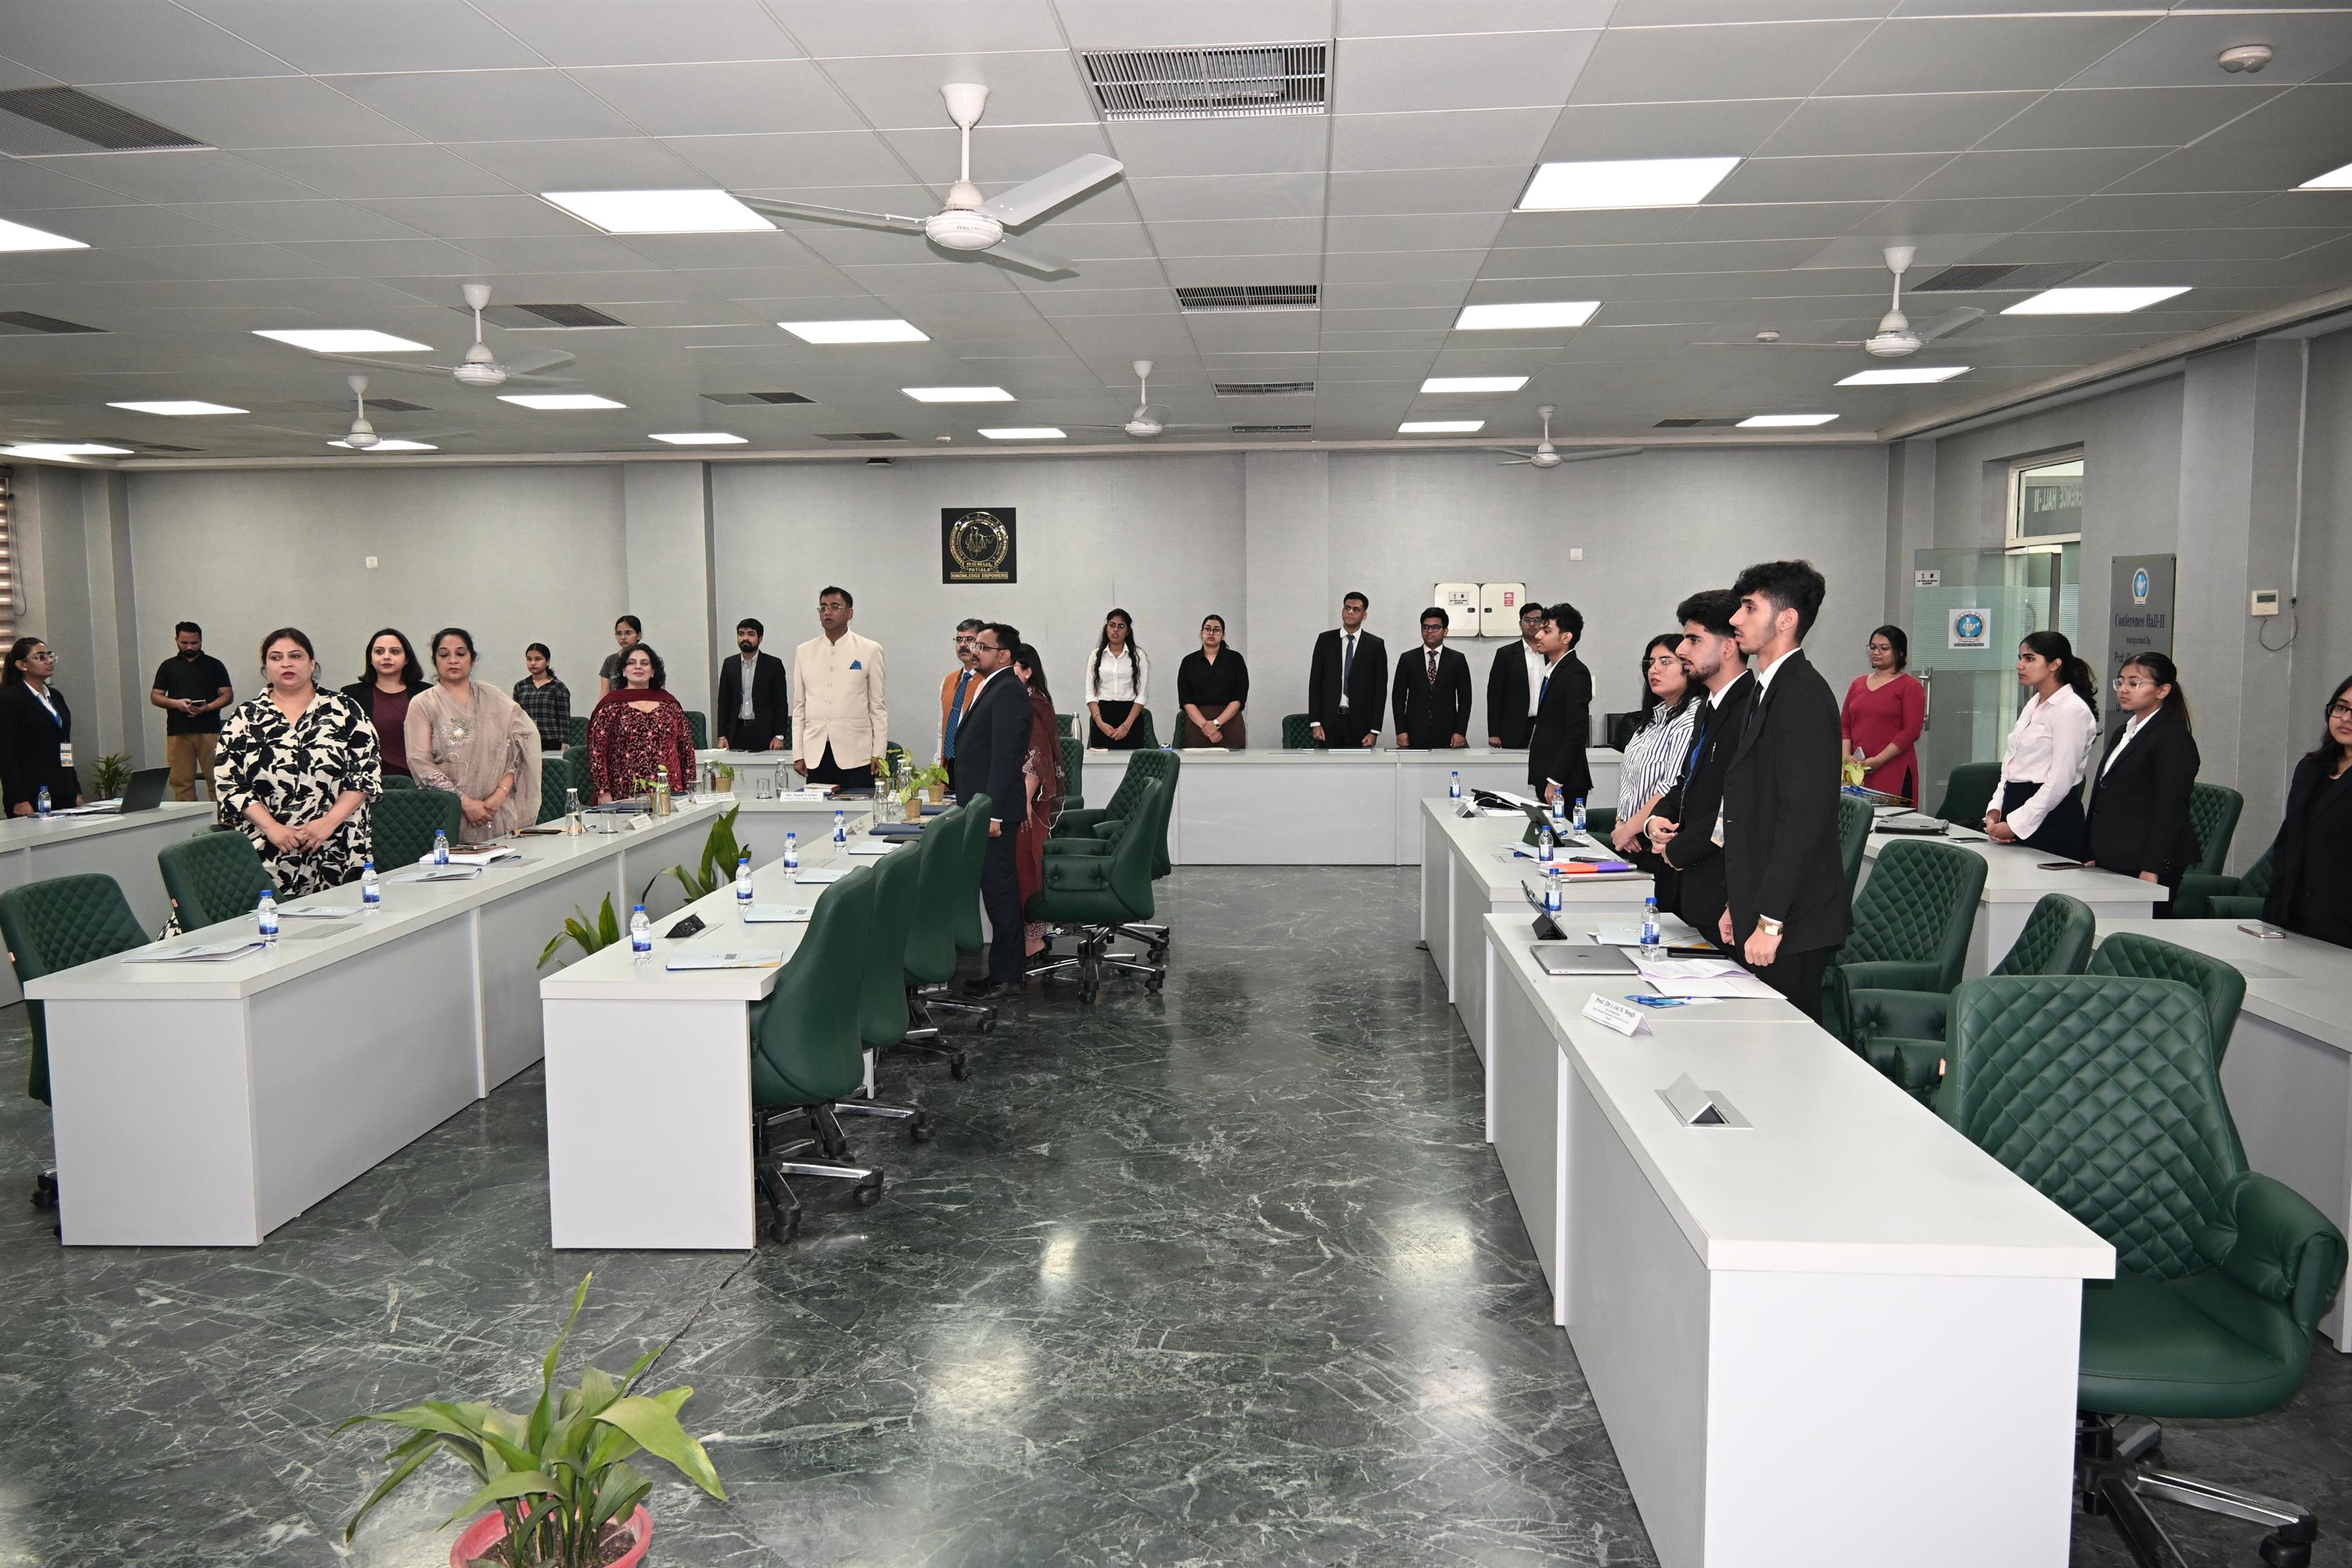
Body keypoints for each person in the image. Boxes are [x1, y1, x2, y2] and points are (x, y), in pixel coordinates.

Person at [1720, 560, 1849, 1019]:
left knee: (1784, 1045)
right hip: (1765, 907)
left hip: (1793, 920)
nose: (1736, 618)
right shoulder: (1766, 690)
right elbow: (1756, 807)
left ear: (1786, 619)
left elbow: (1803, 819)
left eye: (1749, 608)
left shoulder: (1803, 694)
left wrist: (1771, 921)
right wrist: (1740, 903)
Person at [217, 627, 382, 896]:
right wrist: (273, 828)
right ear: (266, 667)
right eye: (276, 657)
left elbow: (366, 773)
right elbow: (229, 784)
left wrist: (328, 823)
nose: (286, 664)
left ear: (312, 663)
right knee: (271, 918)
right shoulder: (245, 718)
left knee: (346, 916)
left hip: (338, 843)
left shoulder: (344, 710)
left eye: (296, 656)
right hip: (268, 847)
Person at [1644, 590, 1754, 935]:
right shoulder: (1709, 706)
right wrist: (1656, 820)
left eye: (1694, 639)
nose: (1681, 650)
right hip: (1690, 882)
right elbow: (1687, 781)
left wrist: (1680, 849)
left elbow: (1740, 805)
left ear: (1728, 647)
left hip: (1723, 889)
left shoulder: (1752, 710)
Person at [952, 622, 1032, 996]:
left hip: (993, 813)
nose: (974, 650)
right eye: (973, 644)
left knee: (1000, 892)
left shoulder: (1009, 690)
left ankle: (1007, 975)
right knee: (995, 890)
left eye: (982, 646)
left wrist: (994, 813)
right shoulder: (989, 685)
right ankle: (1004, 970)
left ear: (1004, 655)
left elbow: (1005, 757)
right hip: (981, 808)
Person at [406, 628, 543, 845]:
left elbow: (521, 746)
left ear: (472, 659)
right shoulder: (423, 704)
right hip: (448, 812)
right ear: (435, 660)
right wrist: (464, 802)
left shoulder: (494, 698)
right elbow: (420, 761)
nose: (453, 660)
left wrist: (498, 796)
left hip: (496, 812)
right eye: (444, 655)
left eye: (461, 654)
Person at [2083, 652, 2200, 892]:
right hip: (2113, 852)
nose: (2124, 689)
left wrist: (2152, 867)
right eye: (2121, 682)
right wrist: (2091, 850)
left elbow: (2171, 807)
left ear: (2163, 691)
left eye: (2134, 683)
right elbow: (2103, 794)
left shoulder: (2173, 737)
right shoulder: (2123, 732)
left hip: (2145, 859)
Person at [1987, 630, 2098, 858]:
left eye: (2030, 659)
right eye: (2020, 658)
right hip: (2015, 805)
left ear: (2055, 664)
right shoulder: (2034, 703)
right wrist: (1996, 808)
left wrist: (2017, 823)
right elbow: (2011, 764)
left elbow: (2060, 781)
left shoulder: (2071, 709)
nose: (2020, 665)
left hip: (2050, 816)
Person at [2259, 675, 2352, 948]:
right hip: (2293, 916)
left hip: (2342, 923)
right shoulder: (2311, 768)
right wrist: (2274, 910)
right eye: (2341, 707)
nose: (2346, 718)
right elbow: (2288, 842)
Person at [791, 585, 887, 791]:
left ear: (849, 613)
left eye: (835, 607)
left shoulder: (870, 649)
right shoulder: (804, 651)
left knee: (858, 809)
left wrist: (879, 754)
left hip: (857, 753)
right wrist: (798, 753)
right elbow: (800, 706)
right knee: (818, 810)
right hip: (816, 753)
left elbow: (878, 707)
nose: (827, 612)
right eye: (823, 607)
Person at [1611, 636, 1698, 856]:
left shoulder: (1690, 721)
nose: (1654, 670)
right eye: (1651, 663)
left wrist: (1629, 830)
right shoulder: (1651, 720)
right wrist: (1621, 823)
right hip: (1633, 837)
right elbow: (1629, 781)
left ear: (1689, 667)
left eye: (1665, 662)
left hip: (1660, 839)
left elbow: (1670, 787)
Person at [586, 643, 696, 803]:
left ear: (653, 672)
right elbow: (597, 753)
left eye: (645, 663)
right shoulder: (610, 706)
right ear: (623, 671)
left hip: (670, 792)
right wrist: (603, 793)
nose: (638, 667)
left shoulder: (670, 704)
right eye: (632, 663)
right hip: (625, 794)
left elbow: (686, 749)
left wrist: (691, 788)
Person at [1012, 643, 1063, 961]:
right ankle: (1031, 935)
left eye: (1013, 669)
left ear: (1028, 671)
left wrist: (1025, 800)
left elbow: (1036, 756)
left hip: (1028, 801)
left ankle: (1033, 939)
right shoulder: (1031, 700)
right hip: (1025, 798)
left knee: (1027, 864)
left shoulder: (1031, 703)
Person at [1839, 625, 1926, 805]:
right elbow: (1845, 725)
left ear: (1900, 653)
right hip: (1857, 769)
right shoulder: (1858, 684)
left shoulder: (1910, 686)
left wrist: (1878, 760)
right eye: (1873, 648)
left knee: (1891, 817)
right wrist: (1846, 755)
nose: (1876, 653)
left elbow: (1911, 732)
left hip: (1893, 768)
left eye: (1884, 648)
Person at [149, 621, 234, 801]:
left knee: (218, 779)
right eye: (184, 643)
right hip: (178, 731)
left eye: (194, 643)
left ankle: (221, 818)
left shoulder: (214, 665)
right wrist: (176, 704)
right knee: (181, 782)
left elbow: (228, 695)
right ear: (176, 640)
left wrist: (208, 707)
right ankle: (188, 818)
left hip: (210, 731)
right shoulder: (168, 666)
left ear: (201, 641)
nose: (189, 647)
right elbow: (155, 696)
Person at [0, 638, 82, 816]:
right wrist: (19, 799)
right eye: (41, 657)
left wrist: (75, 789)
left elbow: (65, 745)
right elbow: (6, 755)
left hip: (63, 789)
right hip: (32, 792)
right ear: (22, 665)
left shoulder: (56, 697)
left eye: (50, 656)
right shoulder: (10, 700)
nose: (49, 661)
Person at [1527, 602, 1594, 808]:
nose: (1538, 635)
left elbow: (1577, 733)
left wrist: (1556, 779)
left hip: (1564, 781)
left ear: (1566, 638)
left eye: (1547, 631)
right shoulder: (1554, 670)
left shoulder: (1576, 673)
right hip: (1548, 774)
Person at [342, 629, 427, 780]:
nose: (386, 657)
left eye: (395, 652)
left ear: (407, 659)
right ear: (370, 658)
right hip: (368, 781)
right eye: (379, 652)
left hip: (421, 782)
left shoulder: (427, 693)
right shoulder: (351, 695)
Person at [1308, 591, 1387, 748]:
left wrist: (1374, 731)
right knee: (1327, 763)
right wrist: (1316, 723)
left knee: (1358, 764)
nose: (1350, 612)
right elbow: (1315, 683)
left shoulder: (1375, 645)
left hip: (1361, 724)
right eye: (1347, 608)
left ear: (1364, 615)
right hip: (1329, 723)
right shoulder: (1325, 640)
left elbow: (1380, 690)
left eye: (1356, 609)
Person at [1393, 607, 1471, 751]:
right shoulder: (1407, 659)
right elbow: (1398, 698)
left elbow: (1465, 699)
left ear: (1445, 631)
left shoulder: (1457, 659)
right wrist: (1401, 730)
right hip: (1414, 732)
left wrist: (1460, 732)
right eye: (1426, 627)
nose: (1430, 631)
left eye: (1435, 627)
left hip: (1448, 732)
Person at [716, 617, 789, 753]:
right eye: (741, 634)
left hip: (764, 733)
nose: (745, 638)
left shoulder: (774, 665)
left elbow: (781, 704)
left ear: (760, 638)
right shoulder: (729, 664)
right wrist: (722, 736)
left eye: (751, 634)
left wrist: (779, 736)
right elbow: (723, 703)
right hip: (736, 732)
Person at [1177, 614, 1250, 748]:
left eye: (1216, 630)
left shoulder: (1235, 660)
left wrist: (1216, 724)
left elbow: (1239, 697)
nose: (1211, 633)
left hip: (1230, 723)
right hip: (1198, 726)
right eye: (1207, 629)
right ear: (1201, 633)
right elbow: (1186, 699)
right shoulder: (1189, 662)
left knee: (1233, 761)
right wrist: (1206, 726)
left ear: (1223, 635)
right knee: (1198, 761)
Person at [1486, 600, 1549, 749]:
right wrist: (1494, 732)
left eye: (1537, 620)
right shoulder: (1505, 654)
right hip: (1514, 727)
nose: (1532, 624)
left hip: (1546, 725)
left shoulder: (1551, 653)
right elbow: (1494, 695)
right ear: (1520, 624)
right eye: (1527, 620)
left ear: (1544, 624)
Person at [1082, 609, 1149, 749]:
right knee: (1102, 761)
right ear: (1106, 628)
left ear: (1128, 631)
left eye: (1121, 626)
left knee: (1130, 760)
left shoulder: (1139, 655)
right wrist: (1100, 723)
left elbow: (1142, 695)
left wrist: (1126, 726)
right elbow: (1090, 694)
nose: (1116, 630)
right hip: (1103, 718)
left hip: (1130, 718)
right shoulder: (1096, 656)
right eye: (1112, 625)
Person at [938, 617, 984, 791]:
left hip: (977, 767)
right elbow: (941, 730)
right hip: (949, 766)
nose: (963, 645)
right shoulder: (949, 681)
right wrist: (938, 766)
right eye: (959, 639)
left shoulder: (988, 682)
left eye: (970, 639)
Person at [511, 643, 570, 753]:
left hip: (551, 742)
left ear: (547, 662)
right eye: (529, 659)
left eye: (538, 659)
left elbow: (564, 719)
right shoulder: (520, 686)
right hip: (526, 741)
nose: (533, 663)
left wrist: (564, 744)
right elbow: (516, 717)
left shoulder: (558, 687)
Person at [598, 615, 642, 697]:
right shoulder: (610, 660)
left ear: (639, 635)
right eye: (619, 633)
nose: (623, 637)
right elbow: (604, 695)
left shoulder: (649, 660)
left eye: (628, 633)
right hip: (615, 703)